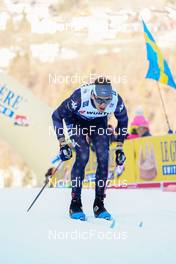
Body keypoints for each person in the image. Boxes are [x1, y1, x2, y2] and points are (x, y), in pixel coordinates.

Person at [52, 77, 128, 220]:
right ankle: (75, 203)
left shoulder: (116, 100)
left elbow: (123, 121)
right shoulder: (79, 97)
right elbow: (56, 116)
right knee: (83, 154)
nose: (103, 105)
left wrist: (119, 147)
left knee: (104, 157)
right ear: (93, 95)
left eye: (107, 100)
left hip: (98, 122)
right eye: (99, 100)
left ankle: (99, 204)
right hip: (75, 121)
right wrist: (62, 143)